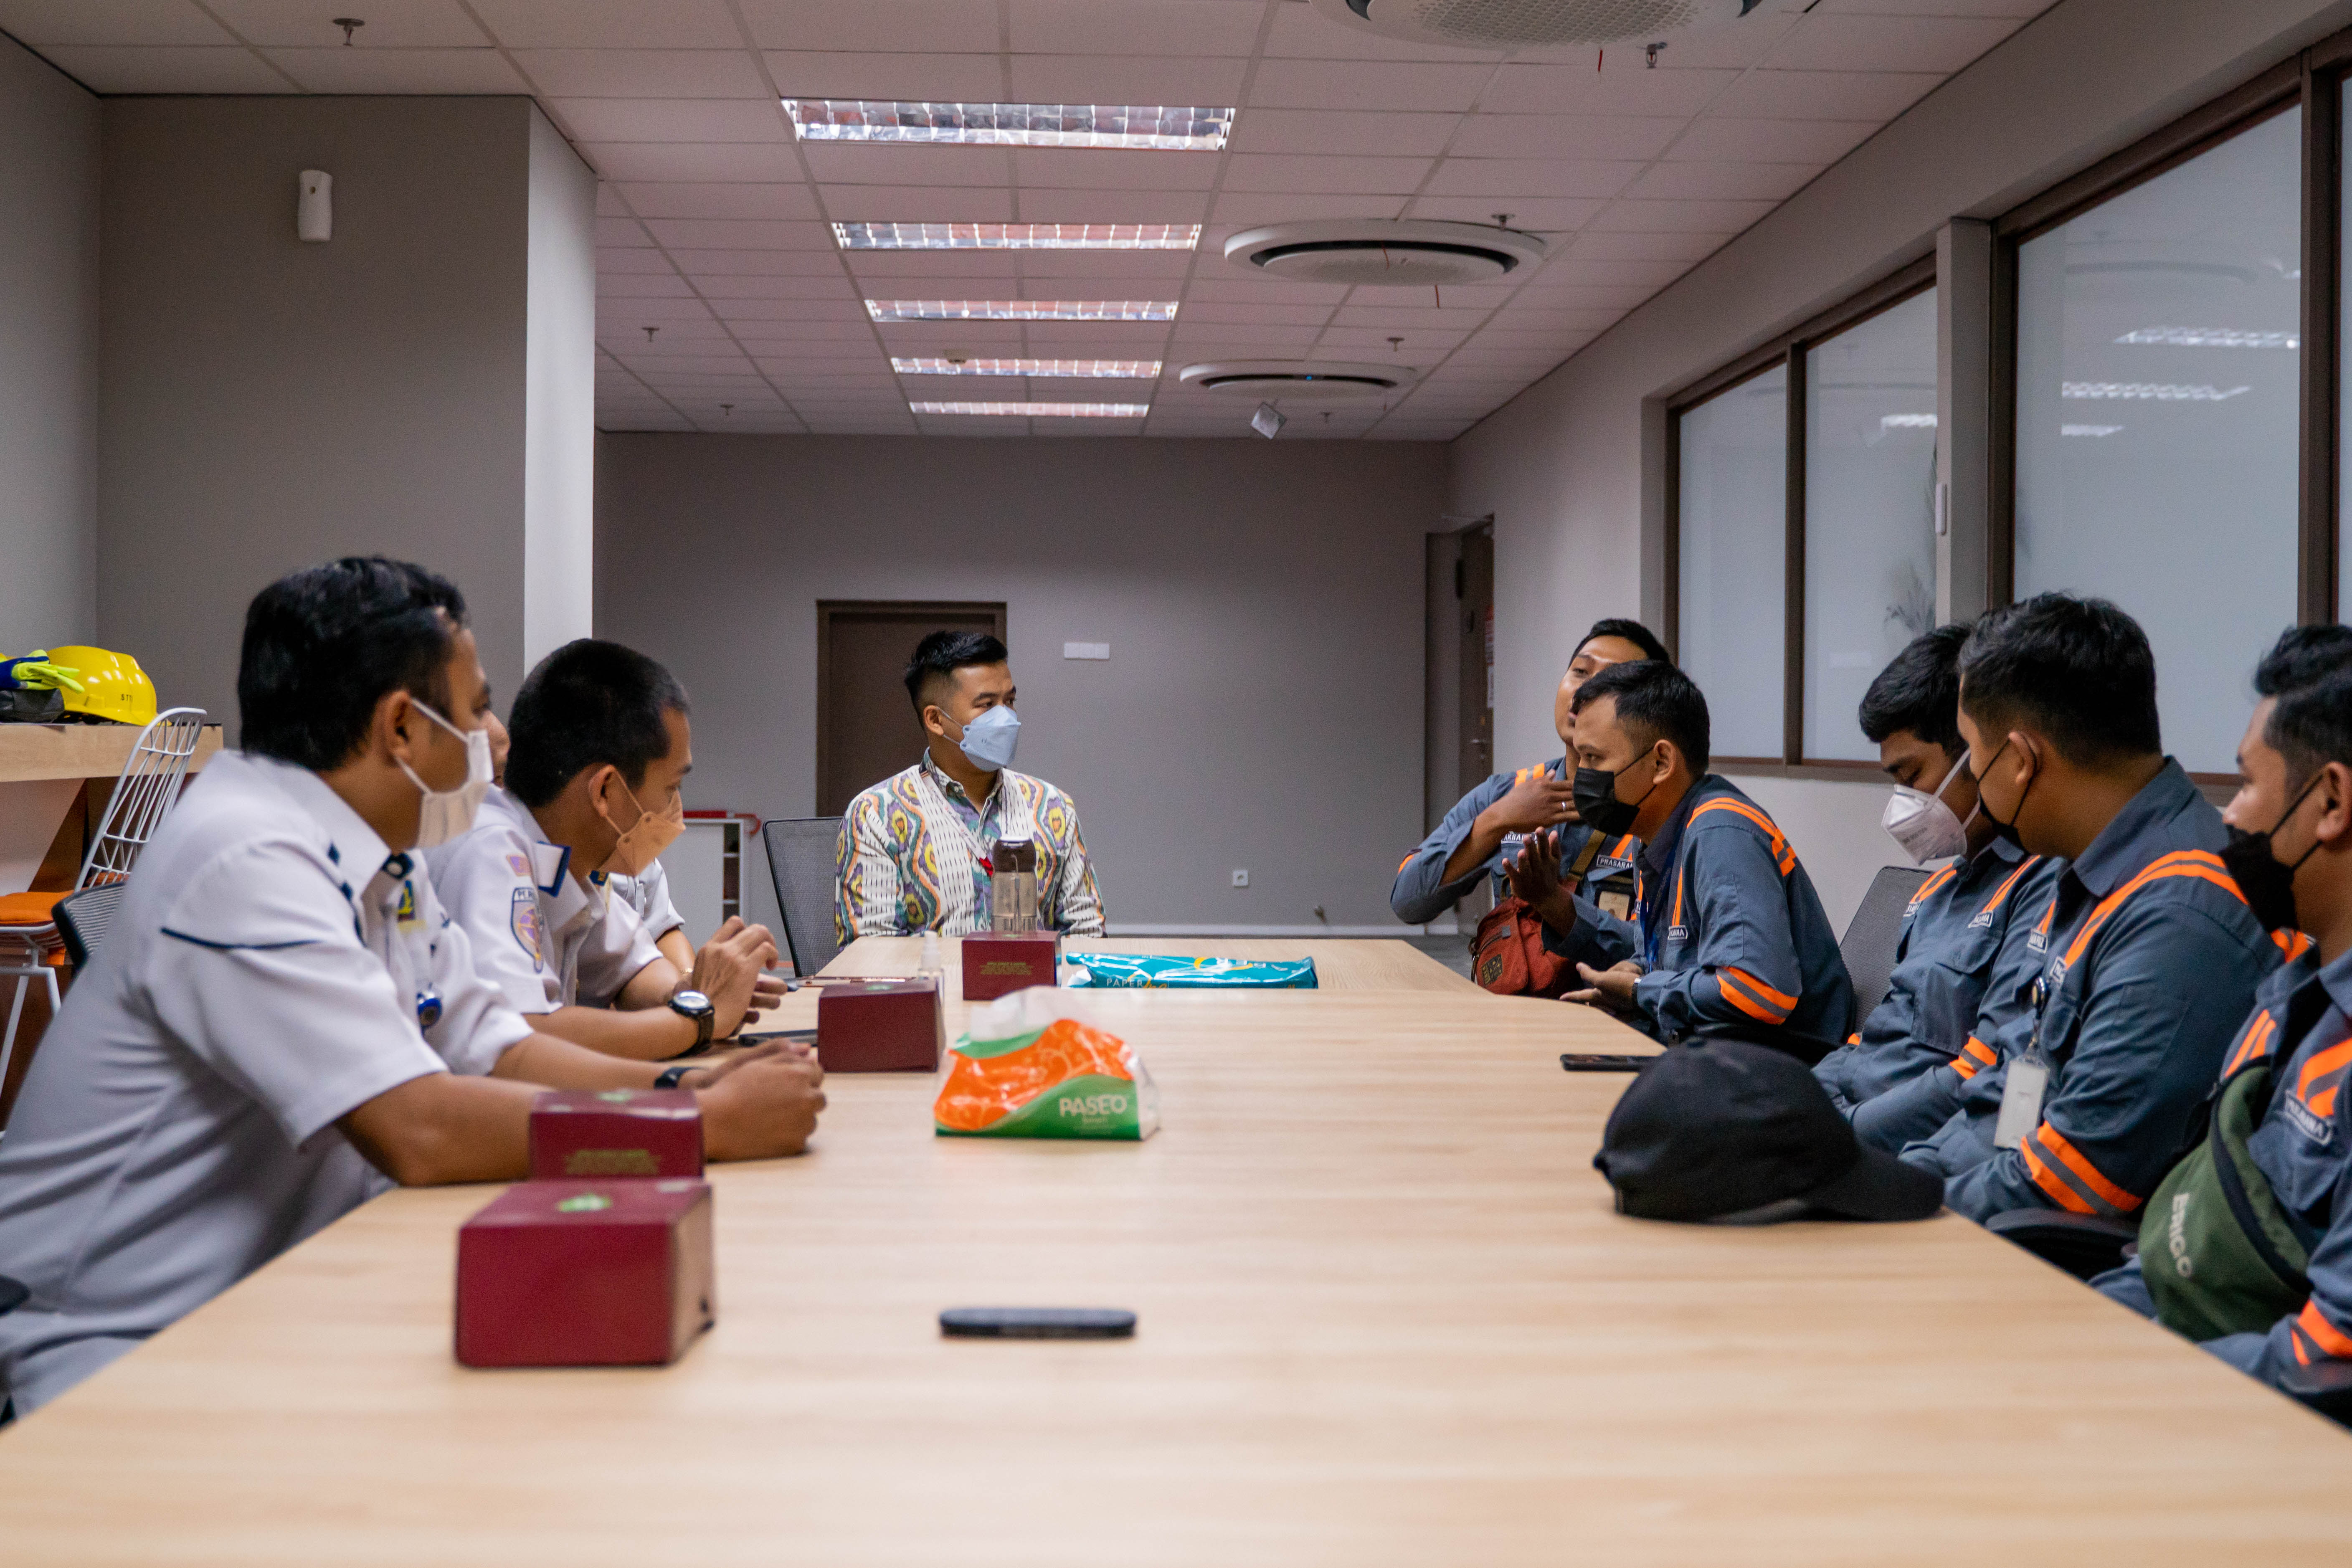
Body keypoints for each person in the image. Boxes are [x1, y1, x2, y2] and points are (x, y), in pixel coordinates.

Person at [0, 560, 824, 1418]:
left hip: (282, 1291)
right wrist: (695, 1124)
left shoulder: (384, 860)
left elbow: (500, 1048)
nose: (496, 738)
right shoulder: (244, 854)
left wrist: (681, 1086)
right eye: (475, 709)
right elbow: (417, 1126)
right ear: (400, 725)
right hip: (119, 1346)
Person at [1895, 594, 2277, 1223]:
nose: (1974, 782)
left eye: (1972, 755)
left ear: (2020, 761)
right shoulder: (2077, 870)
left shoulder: (2182, 912)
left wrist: (1898, 1201)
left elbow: (2079, 1176)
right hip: (1988, 1195)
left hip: (2050, 1251)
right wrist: (1898, 1173)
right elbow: (2010, 1087)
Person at [2091, 652, 2352, 1387]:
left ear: (2331, 801)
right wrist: (2075, 1335)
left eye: (2245, 784)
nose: (2229, 816)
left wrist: (2118, 1378)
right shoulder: (2294, 994)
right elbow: (2188, 1238)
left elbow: (2324, 1360)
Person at [428, 639, 785, 1062]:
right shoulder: (491, 848)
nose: (675, 808)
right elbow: (522, 1037)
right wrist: (700, 1020)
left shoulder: (568, 861)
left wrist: (694, 992)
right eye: (671, 787)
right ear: (605, 791)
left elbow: (632, 970)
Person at [1527, 659, 1855, 1046]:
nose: (1580, 773)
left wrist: (1642, 991)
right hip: (1707, 1052)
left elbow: (1758, 990)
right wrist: (1634, 971)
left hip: (1780, 1067)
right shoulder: (1655, 834)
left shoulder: (1721, 833)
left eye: (1594, 758)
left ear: (1661, 762)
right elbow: (1672, 959)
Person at [1812, 626, 2062, 1115]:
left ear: (1982, 753)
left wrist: (1837, 1130)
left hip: (1894, 1137)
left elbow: (1985, 1078)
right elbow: (1877, 1037)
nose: (1903, 803)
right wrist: (1798, 1097)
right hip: (1844, 1109)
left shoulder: (2042, 886)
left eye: (1912, 776)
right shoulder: (1940, 889)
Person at [1391, 618, 1668, 928]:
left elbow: (1662, 948)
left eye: (1613, 680)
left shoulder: (1657, 811)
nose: (1586, 690)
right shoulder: (1507, 792)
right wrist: (1498, 821)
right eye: (1580, 671)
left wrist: (1556, 904)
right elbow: (1408, 902)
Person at [837, 630, 1104, 940]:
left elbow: (1087, 933)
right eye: (987, 705)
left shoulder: (1052, 807)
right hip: (932, 974)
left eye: (1010, 701)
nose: (1006, 717)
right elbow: (871, 951)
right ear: (936, 720)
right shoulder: (877, 814)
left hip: (1037, 974)